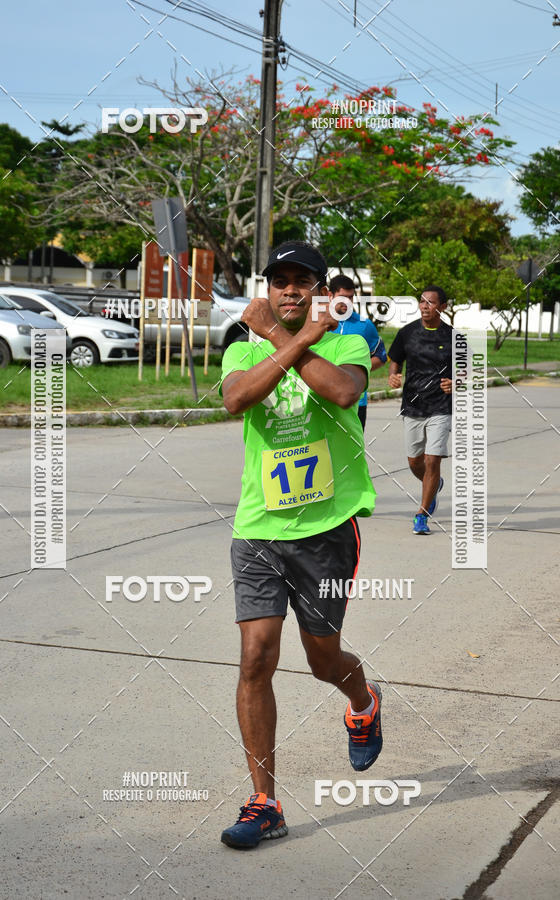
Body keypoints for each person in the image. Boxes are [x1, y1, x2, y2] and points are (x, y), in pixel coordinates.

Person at [219, 240, 382, 850]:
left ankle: (361, 701)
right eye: (279, 281)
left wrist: (294, 340)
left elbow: (342, 393)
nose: (290, 290)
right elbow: (237, 398)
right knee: (256, 657)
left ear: (318, 289)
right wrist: (280, 341)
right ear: (267, 288)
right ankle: (265, 802)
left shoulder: (348, 338)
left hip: (326, 529)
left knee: (322, 661)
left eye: (302, 281)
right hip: (259, 527)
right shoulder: (241, 343)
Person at [387, 285, 453, 535]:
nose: (425, 306)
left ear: (443, 307)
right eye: (422, 302)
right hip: (413, 405)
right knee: (415, 462)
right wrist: (393, 376)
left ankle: (422, 515)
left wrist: (455, 382)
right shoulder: (407, 333)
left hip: (441, 406)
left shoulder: (453, 336)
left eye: (431, 303)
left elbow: (468, 368)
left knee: (432, 460)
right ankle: (434, 485)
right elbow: (395, 360)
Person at [328, 274, 387, 430]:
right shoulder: (315, 323)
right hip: (321, 398)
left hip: (356, 401)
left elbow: (381, 357)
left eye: (351, 297)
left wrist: (357, 369)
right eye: (342, 297)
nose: (347, 302)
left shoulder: (364, 325)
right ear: (330, 295)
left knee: (353, 449)